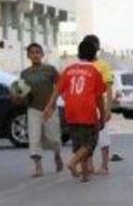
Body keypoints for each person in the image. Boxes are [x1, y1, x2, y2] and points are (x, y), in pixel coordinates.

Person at [43, 40, 106, 183]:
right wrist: (102, 116)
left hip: (70, 110)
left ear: (78, 53)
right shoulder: (94, 72)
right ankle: (72, 163)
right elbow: (99, 98)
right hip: (86, 110)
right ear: (95, 55)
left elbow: (57, 90)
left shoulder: (69, 70)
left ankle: (84, 175)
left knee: (79, 144)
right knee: (90, 142)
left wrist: (49, 106)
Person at [12, 43, 63, 177]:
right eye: (32, 52)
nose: (35, 55)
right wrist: (17, 96)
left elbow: (60, 86)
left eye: (37, 52)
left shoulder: (50, 70)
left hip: (50, 109)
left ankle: (57, 155)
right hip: (33, 109)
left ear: (42, 55)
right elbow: (21, 92)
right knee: (34, 138)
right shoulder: (25, 73)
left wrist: (51, 104)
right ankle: (38, 167)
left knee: (54, 138)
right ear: (28, 56)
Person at [81, 34, 117, 173]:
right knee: (86, 136)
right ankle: (89, 165)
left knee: (103, 136)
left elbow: (108, 89)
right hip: (85, 105)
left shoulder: (103, 66)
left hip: (99, 104)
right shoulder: (82, 65)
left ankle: (104, 165)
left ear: (97, 48)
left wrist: (108, 109)